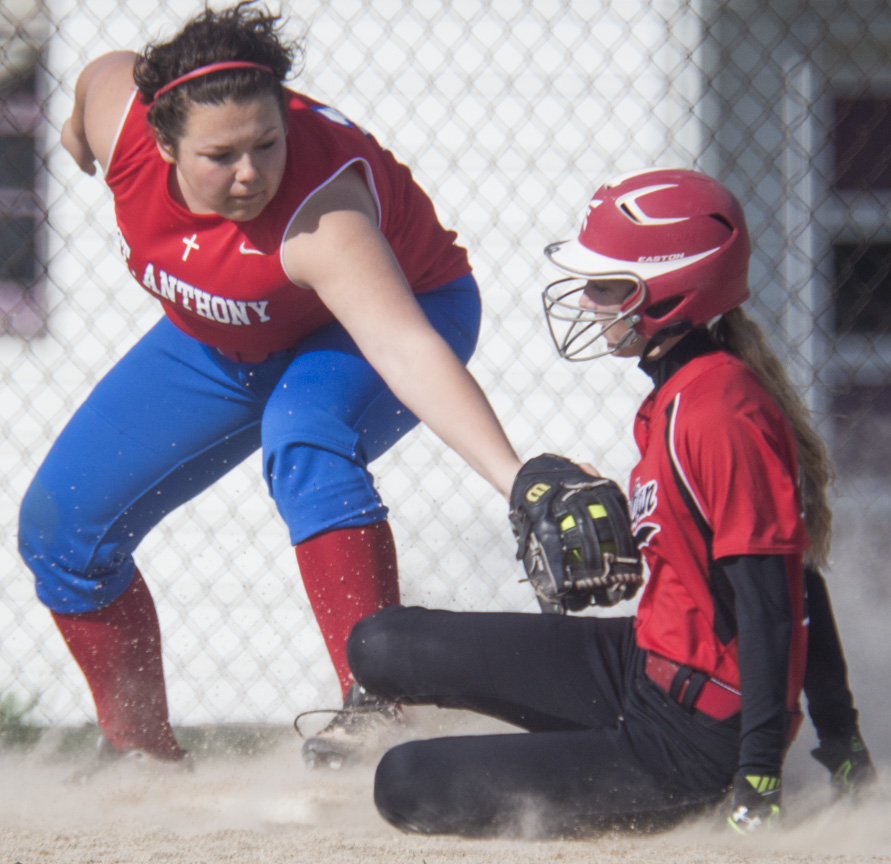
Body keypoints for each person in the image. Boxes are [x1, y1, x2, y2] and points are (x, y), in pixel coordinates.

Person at [17, 1, 523, 773]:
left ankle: (374, 708)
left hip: (388, 313)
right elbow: (96, 83)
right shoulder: (119, 119)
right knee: (60, 529)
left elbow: (404, 348)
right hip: (225, 336)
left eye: (267, 142)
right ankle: (141, 758)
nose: (250, 172)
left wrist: (518, 480)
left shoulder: (322, 217)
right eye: (221, 155)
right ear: (158, 141)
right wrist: (73, 133)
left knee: (305, 435)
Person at [346, 167, 876, 837]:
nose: (590, 301)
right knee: (380, 643)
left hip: (692, 740)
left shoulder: (719, 411)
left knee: (406, 783)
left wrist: (765, 773)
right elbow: (779, 578)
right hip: (642, 666)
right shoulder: (673, 396)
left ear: (669, 293)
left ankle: (695, 777)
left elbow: (780, 600)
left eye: (607, 286)